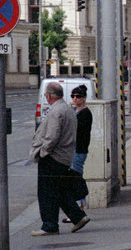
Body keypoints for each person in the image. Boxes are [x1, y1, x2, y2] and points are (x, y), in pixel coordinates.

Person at [30, 82, 88, 236]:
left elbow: (52, 136)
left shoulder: (57, 111)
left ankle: (49, 225)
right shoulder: (68, 109)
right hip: (64, 156)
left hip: (53, 157)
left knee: (47, 192)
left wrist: (43, 152)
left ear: (48, 96)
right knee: (60, 190)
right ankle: (78, 217)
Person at [70, 85, 92, 209]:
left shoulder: (85, 113)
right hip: (75, 149)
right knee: (75, 177)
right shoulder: (76, 111)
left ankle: (80, 206)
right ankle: (78, 205)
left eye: (78, 96)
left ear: (84, 98)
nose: (75, 99)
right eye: (72, 96)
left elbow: (77, 131)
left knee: (76, 177)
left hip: (79, 149)